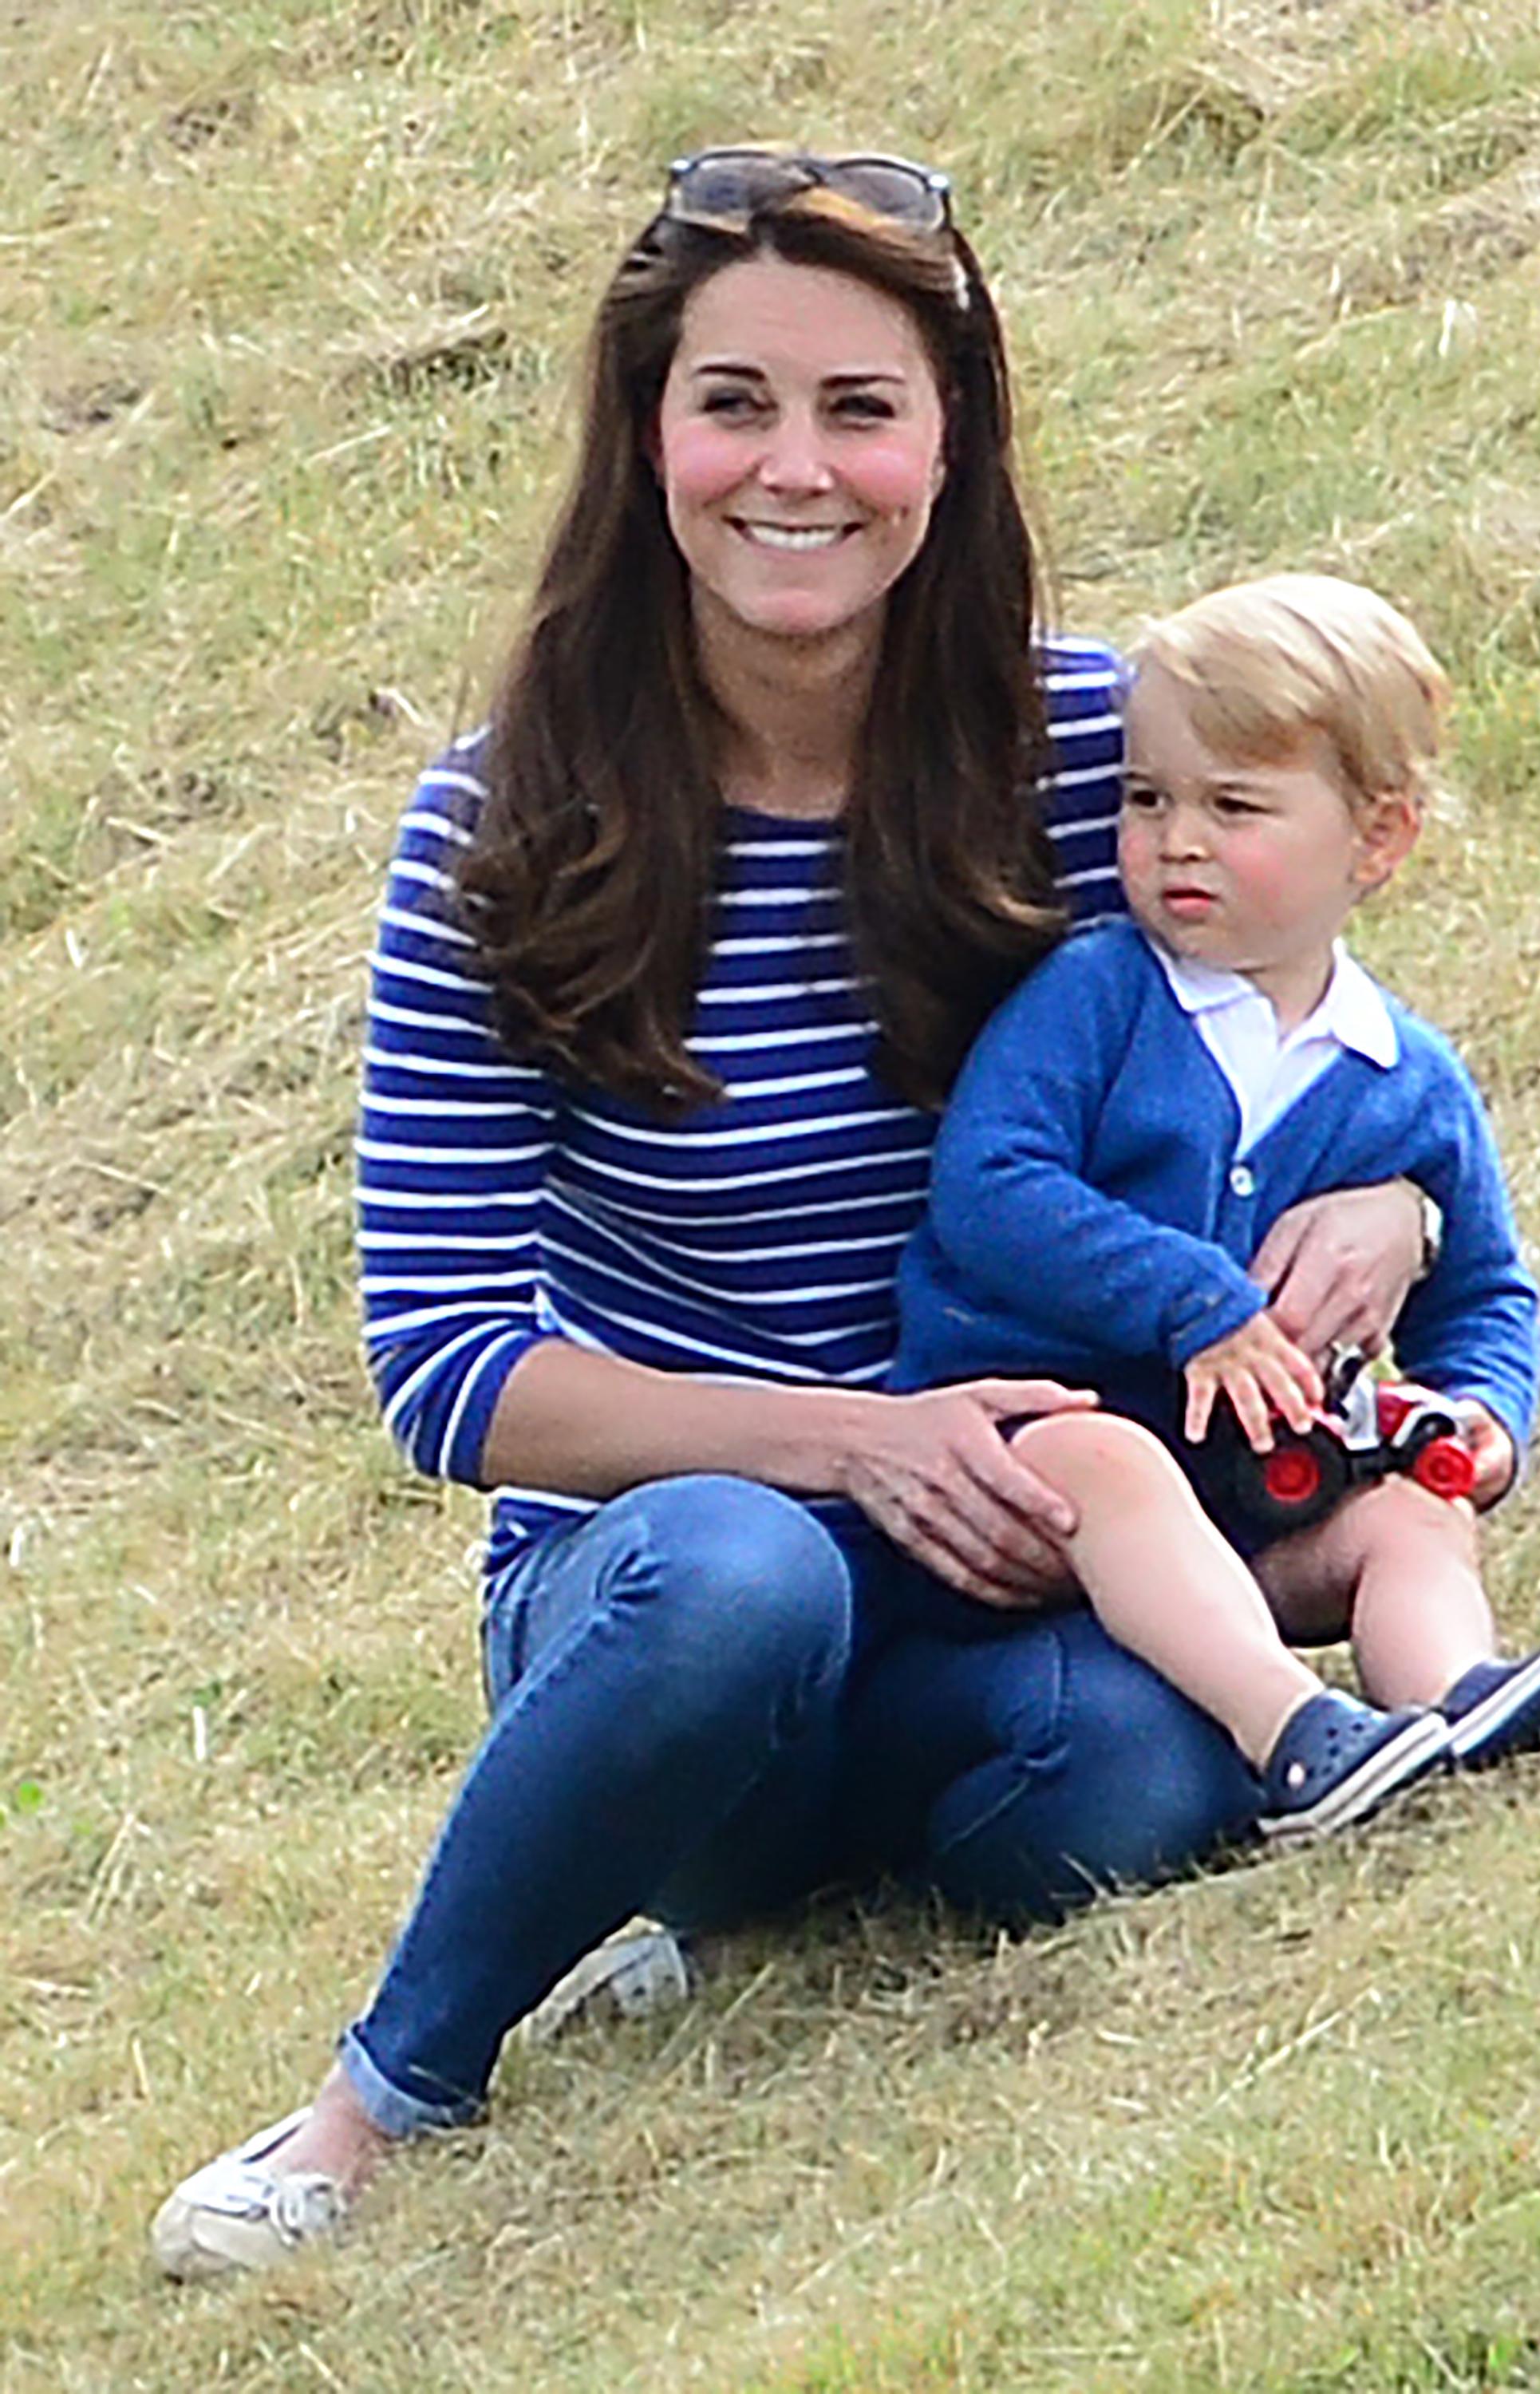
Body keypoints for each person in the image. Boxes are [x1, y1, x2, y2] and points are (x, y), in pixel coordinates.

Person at [150, 154, 1431, 2281]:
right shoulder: (502, 823)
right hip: (670, 1573)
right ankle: (379, 2100)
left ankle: (692, 1897)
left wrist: (1379, 1190)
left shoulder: (1093, 744)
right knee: (743, 1587)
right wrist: (845, 1440)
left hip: (1014, 1572)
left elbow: (1300, 999)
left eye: (861, 408)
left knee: (1132, 1798)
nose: (797, 471)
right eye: (735, 402)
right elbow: (449, 1368)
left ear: (952, 438)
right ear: (647, 432)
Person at [891, 571, 1540, 1823]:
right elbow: (987, 1185)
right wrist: (1192, 1300)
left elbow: (1485, 1286)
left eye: (1232, 806)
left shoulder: (1402, 1075)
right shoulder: (1096, 997)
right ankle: (1293, 1733)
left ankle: (1454, 1701)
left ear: (1377, 839)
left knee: (1410, 1518)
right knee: (1113, 1456)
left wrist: (1479, 1421)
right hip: (1038, 1454)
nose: (1176, 839)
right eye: (1146, 800)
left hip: (1253, 1500)